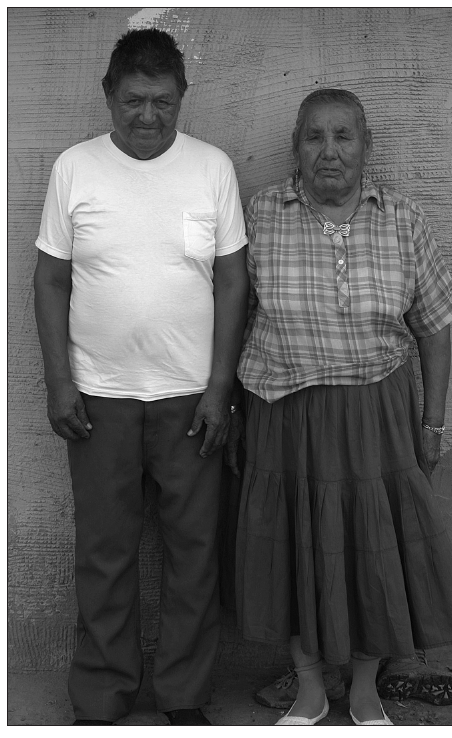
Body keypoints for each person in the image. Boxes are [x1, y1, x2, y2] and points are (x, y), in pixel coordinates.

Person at [235, 88, 452, 726]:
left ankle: (365, 691)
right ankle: (310, 690)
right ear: (296, 149)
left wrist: (434, 423)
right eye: (314, 137)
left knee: (372, 545)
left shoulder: (400, 218)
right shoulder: (262, 215)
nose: (329, 152)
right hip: (283, 410)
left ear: (367, 146)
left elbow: (435, 326)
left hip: (375, 413)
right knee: (294, 546)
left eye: (344, 136)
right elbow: (232, 318)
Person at [34, 28, 248, 726]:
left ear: (182, 98)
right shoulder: (75, 168)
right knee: (104, 554)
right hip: (100, 398)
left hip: (191, 398)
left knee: (194, 554)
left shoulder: (211, 168)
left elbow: (231, 281)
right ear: (108, 97)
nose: (148, 116)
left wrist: (221, 388)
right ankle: (102, 697)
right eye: (133, 101)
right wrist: (59, 383)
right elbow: (50, 280)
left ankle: (185, 696)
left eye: (162, 101)